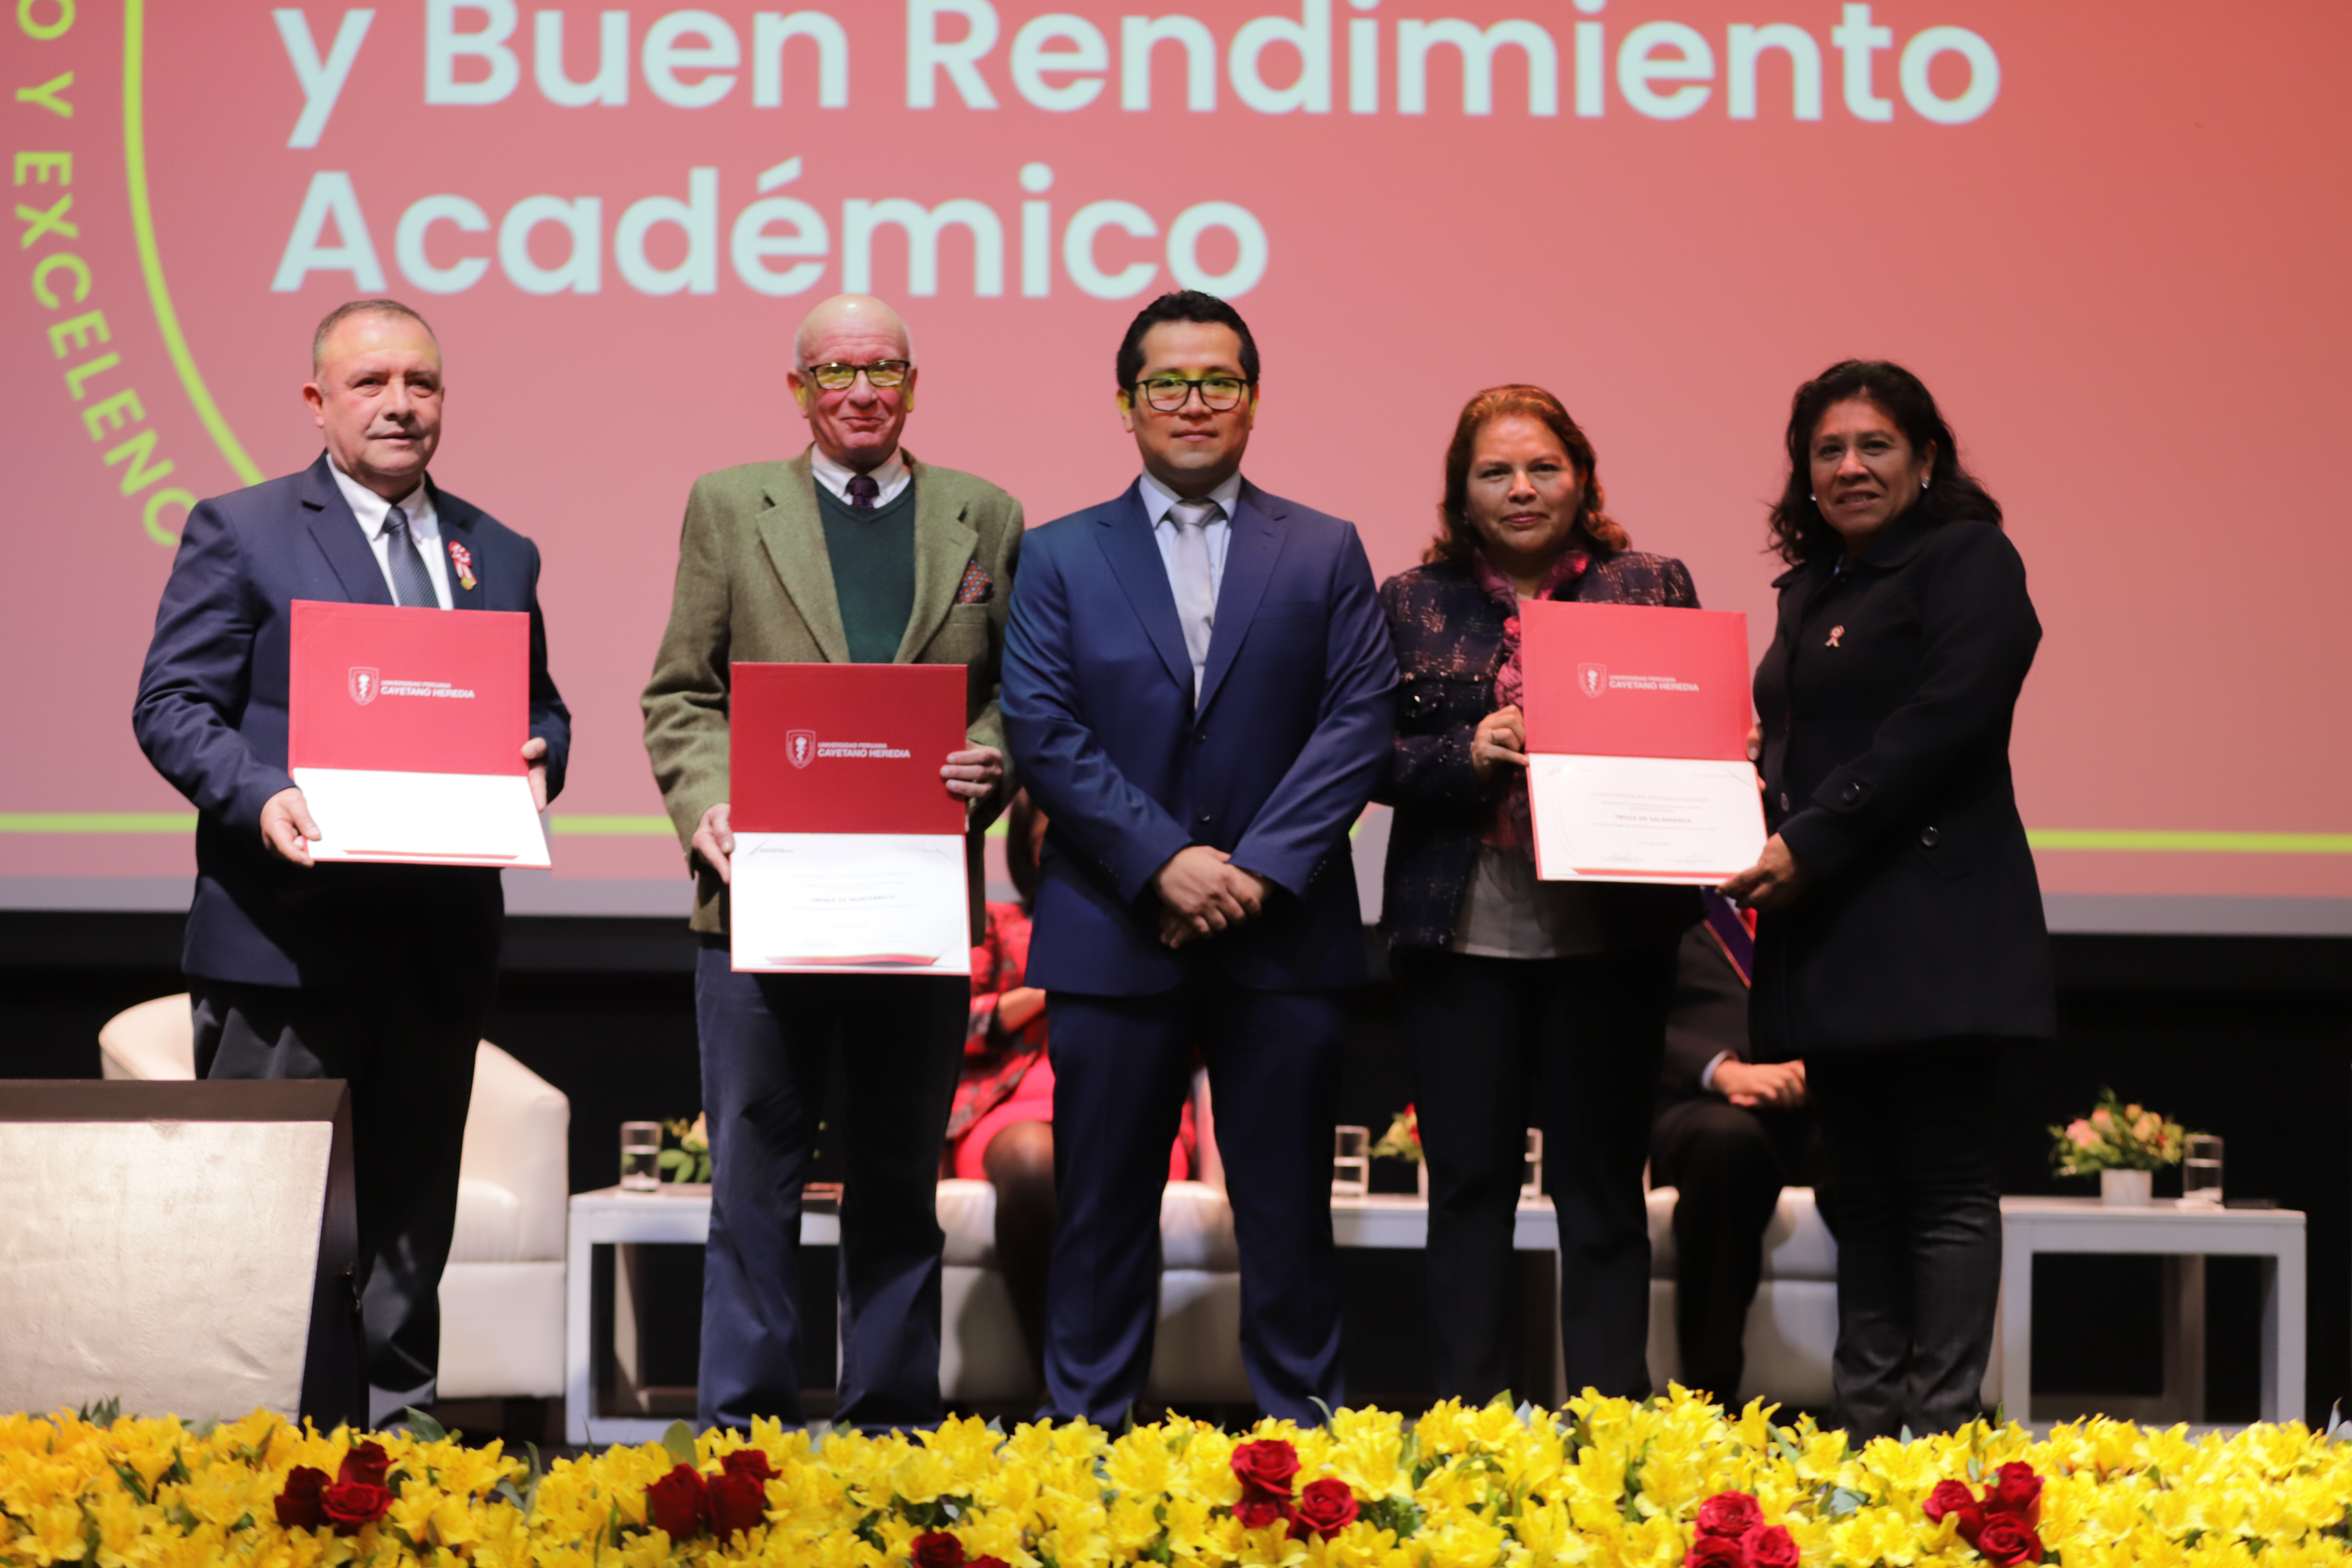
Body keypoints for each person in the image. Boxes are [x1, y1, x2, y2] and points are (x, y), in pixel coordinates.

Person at [132, 298, 571, 1424]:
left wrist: (539, 759)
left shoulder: (499, 550)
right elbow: (173, 705)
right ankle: (240, 1453)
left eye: (421, 384)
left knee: (411, 1227)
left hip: (434, 948)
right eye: (372, 384)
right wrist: (261, 792)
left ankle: (399, 1447)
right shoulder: (243, 529)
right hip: (284, 943)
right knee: (258, 1224)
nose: (400, 406)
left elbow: (542, 711)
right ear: (317, 402)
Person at [1000, 290, 1396, 1425]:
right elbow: (1044, 729)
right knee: (1102, 1215)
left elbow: (1356, 720)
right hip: (1118, 929)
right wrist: (1167, 862)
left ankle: (1307, 1459)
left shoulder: (1323, 549)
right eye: (1166, 384)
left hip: (1288, 934)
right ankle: (1086, 1461)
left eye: (1217, 381)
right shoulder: (1060, 553)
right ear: (1126, 406)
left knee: (1286, 1216)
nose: (1193, 403)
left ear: (1254, 400)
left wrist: (1254, 870)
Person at [640, 293, 1024, 1433]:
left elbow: (1012, 692)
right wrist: (706, 805)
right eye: (837, 372)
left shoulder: (985, 515)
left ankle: (893, 1426)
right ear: (798, 388)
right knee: (752, 1189)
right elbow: (681, 691)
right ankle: (747, 1435)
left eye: (884, 370)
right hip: (760, 903)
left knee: (901, 1182)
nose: (862, 391)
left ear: (915, 384)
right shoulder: (728, 505)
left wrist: (992, 759)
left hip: (914, 902)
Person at [1721, 358, 2052, 1440]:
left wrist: (1811, 834)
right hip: (1830, 928)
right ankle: (1868, 1440)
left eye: (1875, 447)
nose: (1850, 467)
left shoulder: (1968, 561)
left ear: (1927, 459)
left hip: (1930, 922)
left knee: (1946, 1189)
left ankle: (1942, 1440)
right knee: (1856, 1190)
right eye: (1828, 450)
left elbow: (1947, 715)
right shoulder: (1814, 587)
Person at [1377, 384, 1699, 1403]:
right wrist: (1460, 754)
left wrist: (1720, 750)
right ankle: (1474, 1439)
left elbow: (1700, 732)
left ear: (1583, 478)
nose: (1522, 489)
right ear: (1461, 494)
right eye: (1496, 472)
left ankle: (1612, 1438)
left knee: (1601, 1192)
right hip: (1461, 929)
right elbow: (1363, 759)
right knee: (1468, 1189)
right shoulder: (1409, 603)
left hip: (1609, 934)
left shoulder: (1649, 584)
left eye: (1543, 467)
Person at [946, 789, 1197, 1382]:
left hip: (1134, 1101)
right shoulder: (998, 924)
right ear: (1031, 850)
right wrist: (1046, 991)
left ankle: (1122, 1393)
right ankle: (1058, 1384)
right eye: (1051, 839)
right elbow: (954, 1025)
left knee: (1123, 1159)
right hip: (1008, 1112)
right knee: (1038, 1161)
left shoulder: (1156, 929)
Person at [1649, 891, 1827, 1408]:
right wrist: (1722, 1070)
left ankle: (1884, 1401)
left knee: (1877, 1149)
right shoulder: (1656, 900)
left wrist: (1824, 1067)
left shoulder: (1807, 891)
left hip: (1814, 1096)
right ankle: (1709, 1399)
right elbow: (1621, 1009)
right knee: (1725, 1145)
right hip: (1698, 1099)